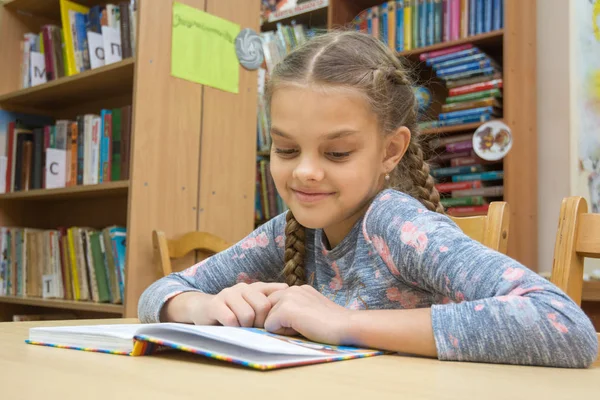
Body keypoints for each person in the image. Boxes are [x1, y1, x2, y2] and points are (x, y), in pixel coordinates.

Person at [138, 31, 598, 368]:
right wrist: (198, 307)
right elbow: (158, 292)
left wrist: (344, 324)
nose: (305, 172)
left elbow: (564, 324)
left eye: (337, 152)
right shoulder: (289, 230)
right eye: (286, 149)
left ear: (390, 150)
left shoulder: (397, 224)